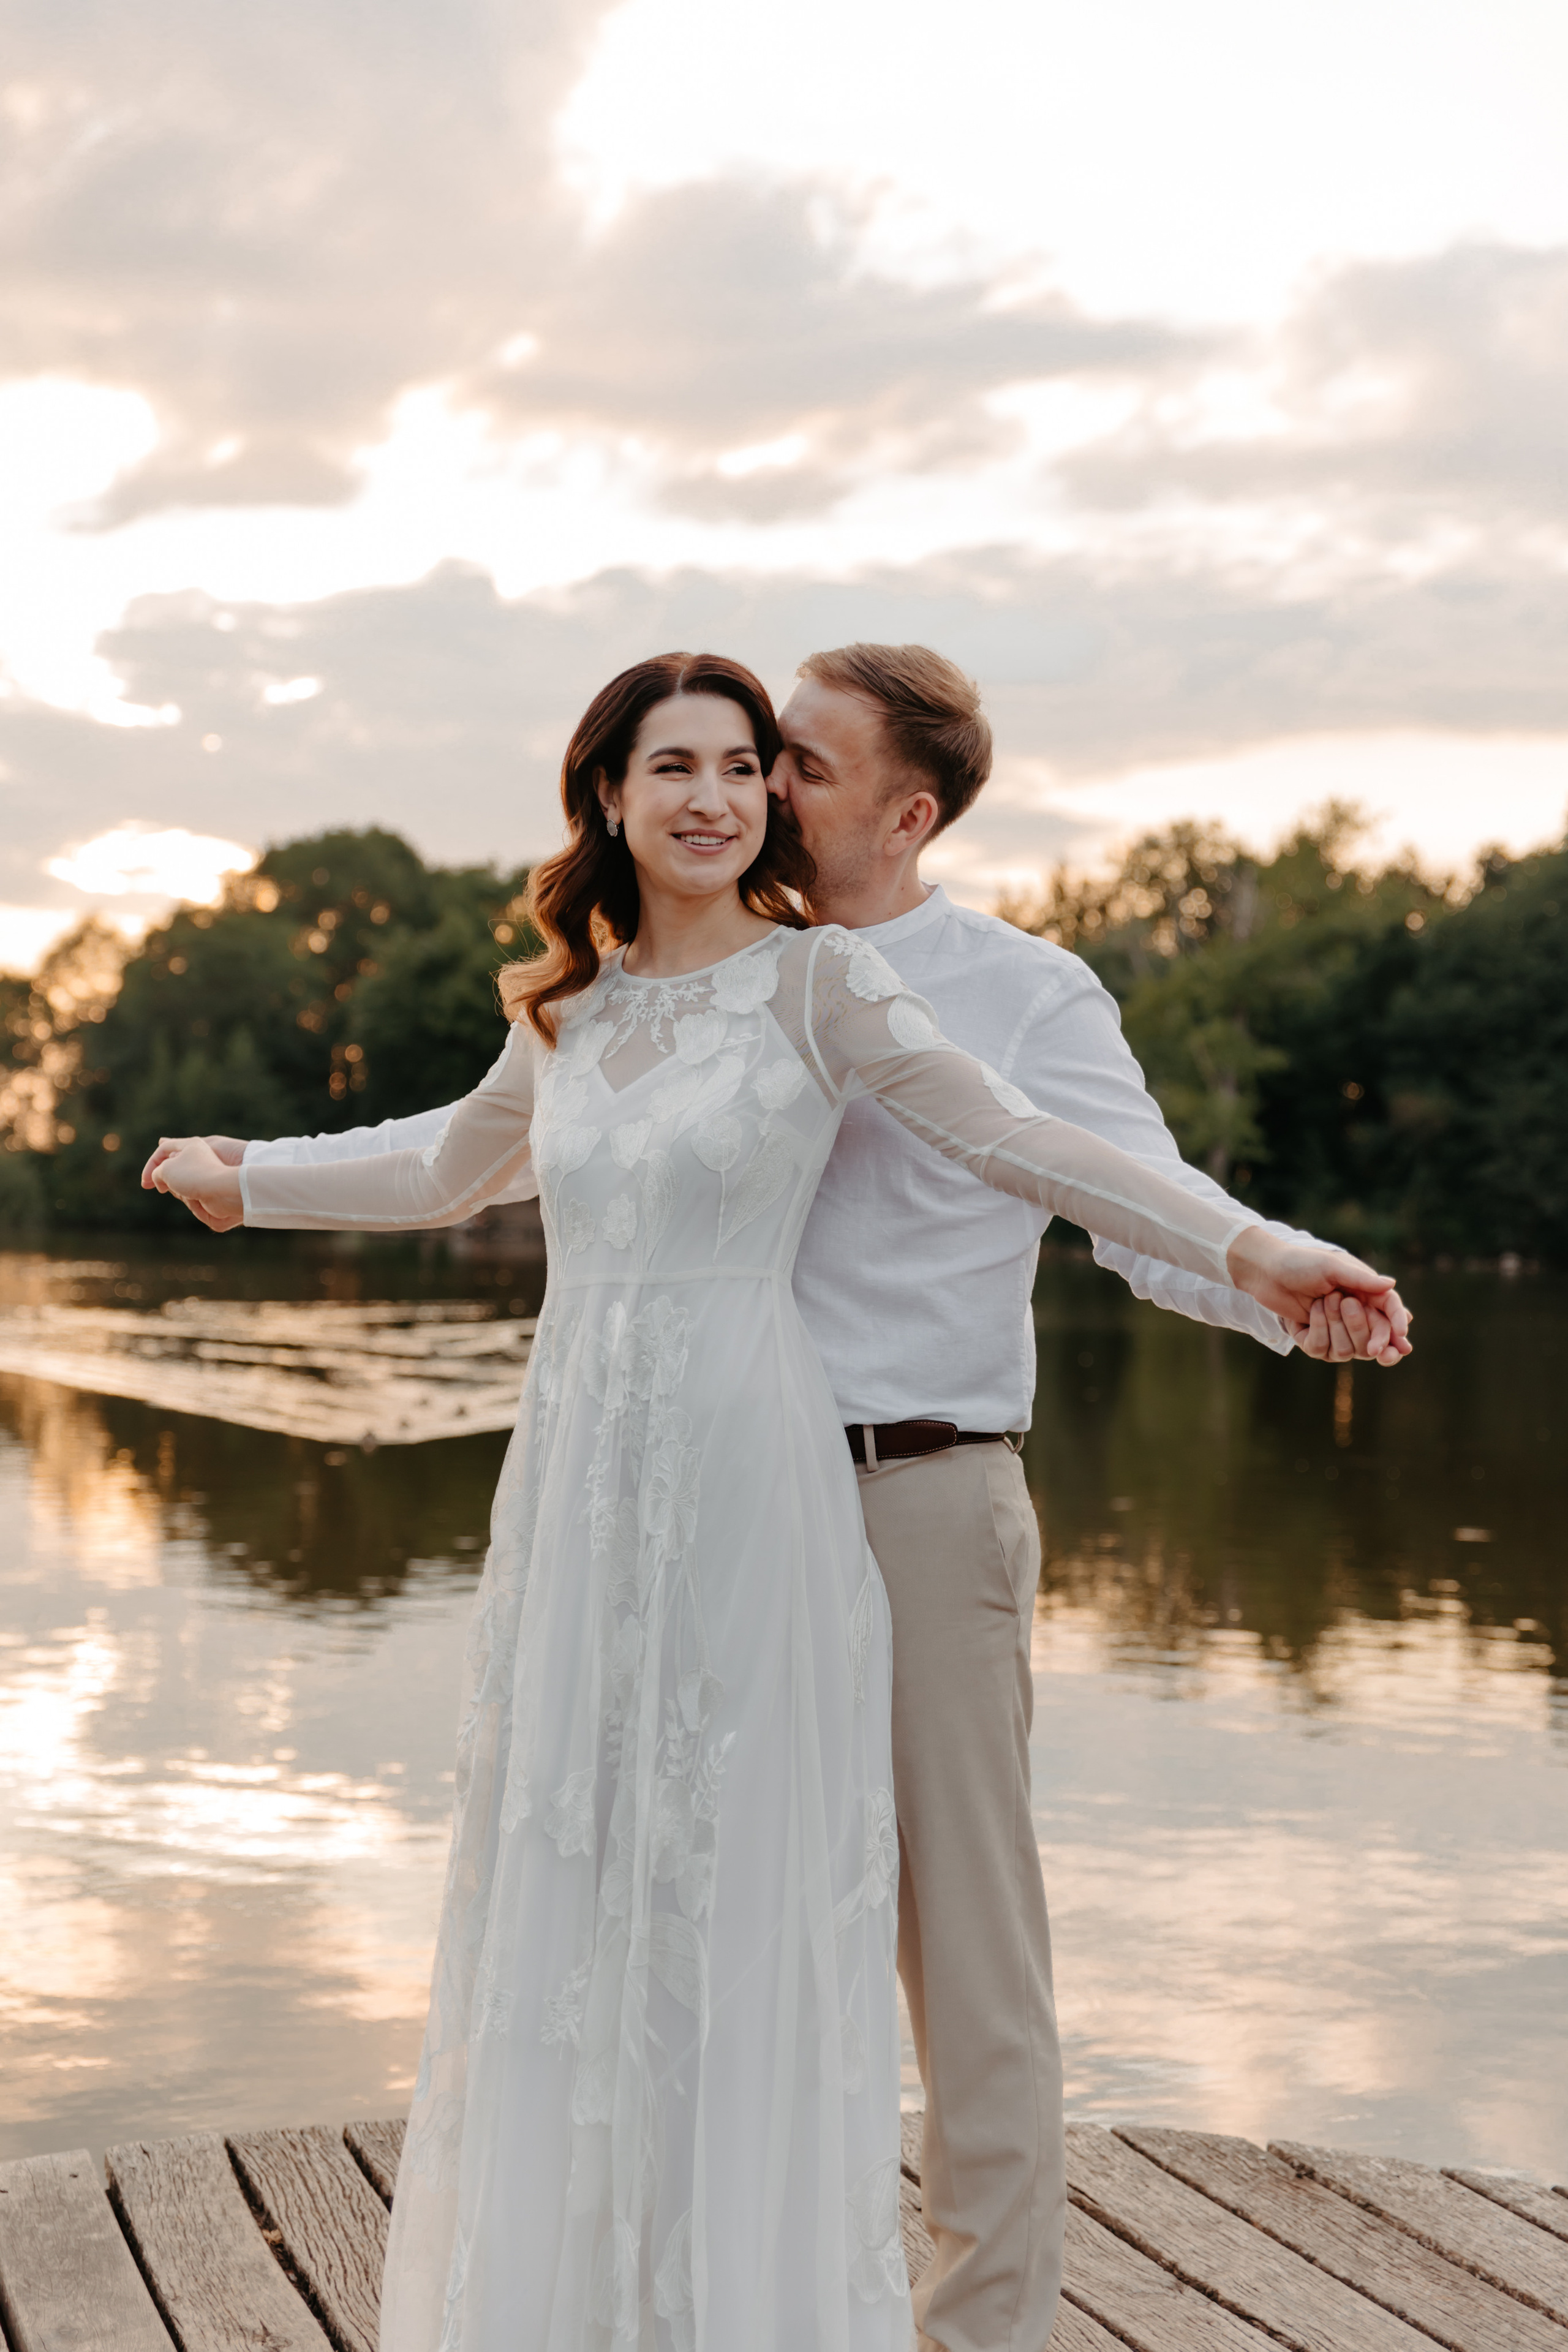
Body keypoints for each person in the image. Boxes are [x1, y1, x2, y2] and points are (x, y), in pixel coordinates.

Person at [148, 646, 1409, 2352]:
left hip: (918, 1487)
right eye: (713, 763)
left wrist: (1263, 1262)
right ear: (611, 791)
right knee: (637, 1904)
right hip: (638, 1503)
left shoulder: (932, 992)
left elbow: (1073, 1163)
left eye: (778, 766)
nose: (744, 795)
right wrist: (248, 1180)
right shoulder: (591, 1005)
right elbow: (454, 1156)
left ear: (900, 808)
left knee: (951, 1964)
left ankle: (960, 2334)